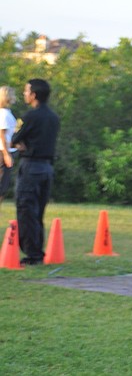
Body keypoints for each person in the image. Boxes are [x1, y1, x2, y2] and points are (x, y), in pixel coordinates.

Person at [11, 79, 60, 265]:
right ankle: (37, 250)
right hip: (47, 167)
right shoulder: (54, 117)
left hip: (31, 167)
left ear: (33, 95)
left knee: (26, 209)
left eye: (26, 91)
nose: (24, 94)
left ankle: (32, 254)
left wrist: (20, 143)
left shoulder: (30, 116)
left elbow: (15, 138)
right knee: (38, 211)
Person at [0, 86, 18, 209]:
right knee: (2, 185)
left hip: (5, 151)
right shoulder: (4, 114)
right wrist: (6, 154)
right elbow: (2, 134)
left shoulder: (5, 113)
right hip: (3, 152)